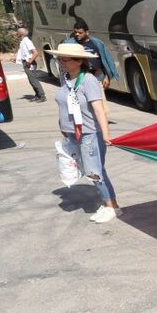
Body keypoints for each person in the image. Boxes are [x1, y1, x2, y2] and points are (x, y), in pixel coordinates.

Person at [49, 44, 120, 223]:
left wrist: (106, 134)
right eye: (59, 59)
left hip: (89, 133)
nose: (60, 63)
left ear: (79, 61)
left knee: (94, 172)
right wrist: (63, 127)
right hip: (72, 133)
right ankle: (109, 204)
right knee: (93, 171)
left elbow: (98, 108)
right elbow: (64, 105)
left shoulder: (88, 80)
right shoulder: (64, 78)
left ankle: (111, 207)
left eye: (65, 59)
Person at [64, 19, 119, 89]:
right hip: (79, 78)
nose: (77, 34)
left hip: (97, 77)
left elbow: (106, 60)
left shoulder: (97, 43)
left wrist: (107, 76)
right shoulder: (70, 44)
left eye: (80, 32)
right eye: (75, 32)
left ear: (87, 32)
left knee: (98, 98)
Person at [15, 27, 45, 102]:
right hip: (26, 62)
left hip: (29, 63)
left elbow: (35, 53)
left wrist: (29, 62)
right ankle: (37, 95)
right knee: (31, 80)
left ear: (21, 34)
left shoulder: (26, 41)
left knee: (34, 80)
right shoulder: (22, 41)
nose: (16, 33)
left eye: (17, 32)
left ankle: (42, 96)